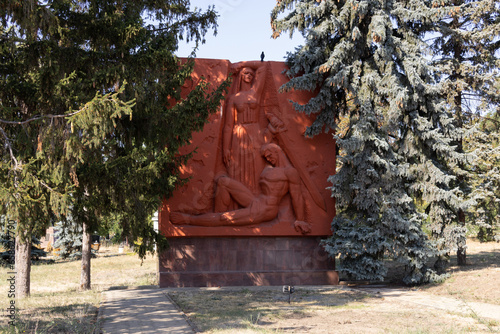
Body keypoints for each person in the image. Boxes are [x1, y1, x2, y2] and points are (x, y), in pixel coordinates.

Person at [170, 143, 312, 234]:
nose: (268, 159)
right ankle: (217, 221)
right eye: (266, 157)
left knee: (226, 218)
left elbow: (297, 196)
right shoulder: (269, 169)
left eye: (269, 156)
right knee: (223, 182)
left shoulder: (290, 172)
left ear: (277, 151)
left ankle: (190, 220)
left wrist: (300, 219)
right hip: (256, 202)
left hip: (266, 210)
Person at [222, 62, 267, 196]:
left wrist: (242, 64)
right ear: (240, 76)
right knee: (239, 168)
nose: (249, 76)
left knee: (257, 166)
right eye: (246, 73)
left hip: (255, 132)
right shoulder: (233, 98)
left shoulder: (255, 93)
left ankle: (257, 200)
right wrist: (225, 147)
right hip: (239, 134)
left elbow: (263, 67)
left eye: (251, 74)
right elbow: (228, 125)